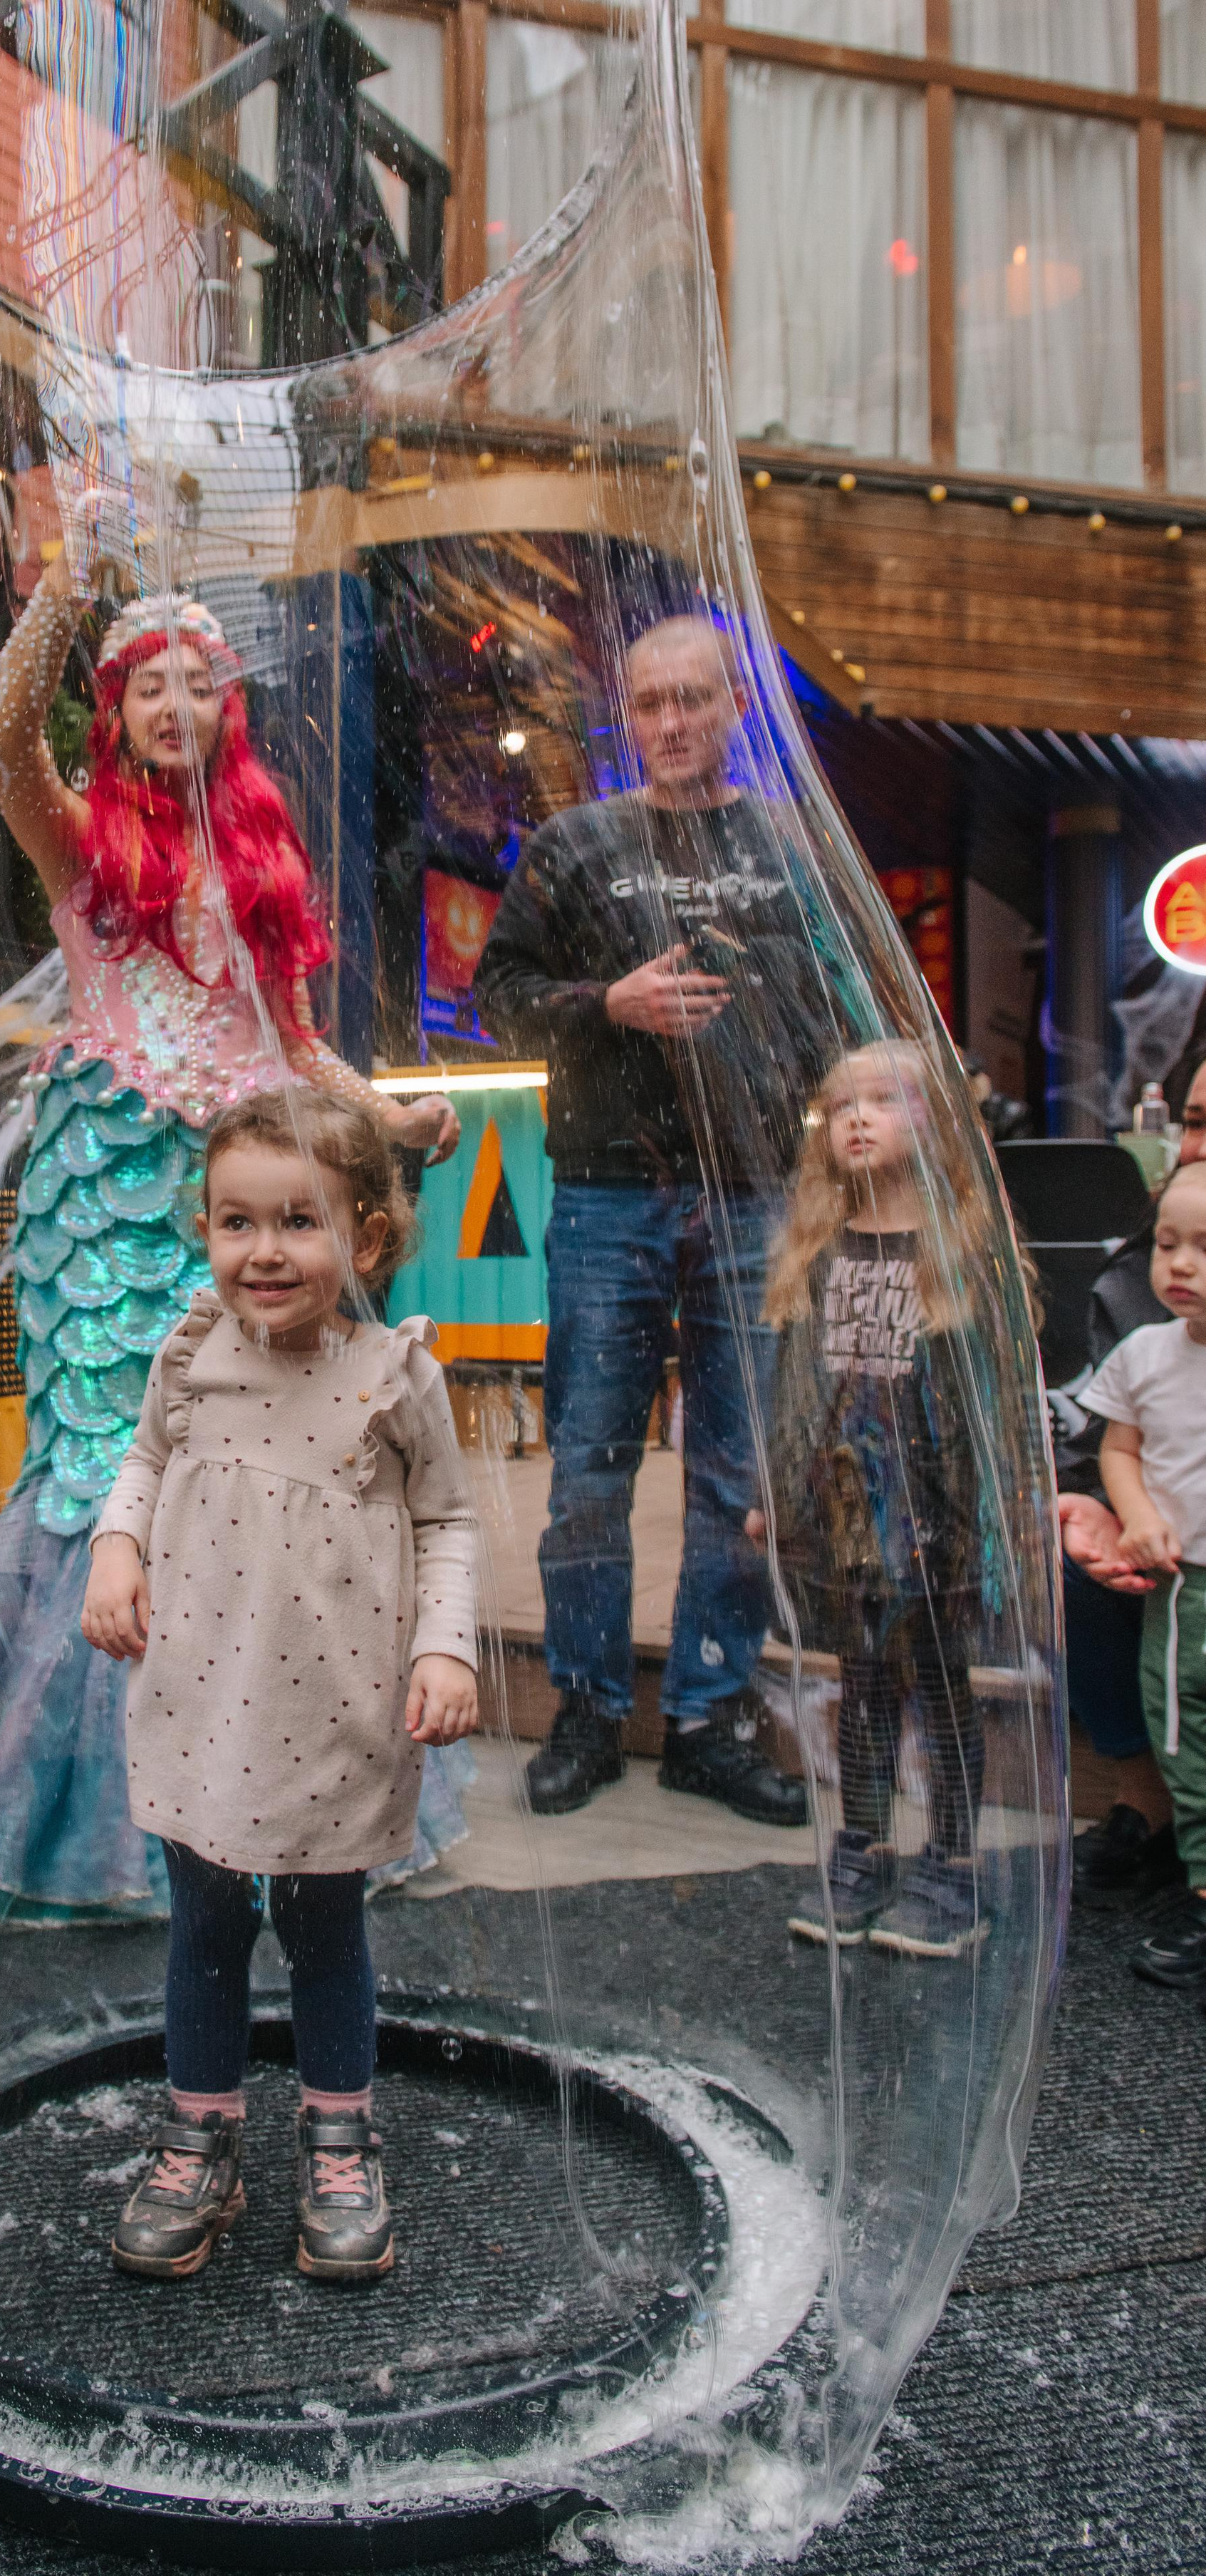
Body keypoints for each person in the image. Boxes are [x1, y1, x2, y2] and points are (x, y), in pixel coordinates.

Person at [0, 547, 459, 1916]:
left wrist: (391, 1112)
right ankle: (94, 1828)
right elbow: (7, 741)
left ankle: (287, 1785)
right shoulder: (79, 835)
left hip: (251, 1190)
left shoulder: (261, 856)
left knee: (268, 1448)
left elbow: (292, 1041)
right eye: (147, 690)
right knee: (112, 1463)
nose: (174, 708)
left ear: (224, 710)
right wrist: (61, 592)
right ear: (114, 712)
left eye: (198, 686)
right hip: (109, 1187)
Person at [82, 1090, 480, 2280]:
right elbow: (147, 1459)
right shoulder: (192, 1349)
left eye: (298, 1222)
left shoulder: (392, 1376)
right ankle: (200, 2136)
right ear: (206, 1229)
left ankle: (338, 2137)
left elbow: (446, 1516)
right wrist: (116, 1547)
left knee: (324, 1930)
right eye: (236, 1221)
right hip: (203, 1694)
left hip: (334, 1711)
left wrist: (445, 1645)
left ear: (363, 1238)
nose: (263, 1251)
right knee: (204, 1926)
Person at [476, 610, 832, 1824]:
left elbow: (837, 1017)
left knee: (740, 1473)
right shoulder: (574, 846)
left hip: (756, 1197)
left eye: (695, 698)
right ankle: (585, 1710)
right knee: (588, 1469)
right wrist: (607, 1004)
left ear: (736, 705)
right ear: (621, 719)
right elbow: (500, 1000)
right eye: (650, 703)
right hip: (603, 1198)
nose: (673, 722)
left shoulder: (793, 850)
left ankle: (710, 1720)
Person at [755, 1043, 992, 1960]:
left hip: (935, 1515)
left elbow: (989, 1402)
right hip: (844, 1513)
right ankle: (863, 1845)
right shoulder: (817, 1250)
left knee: (939, 1683)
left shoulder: (962, 1248)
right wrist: (775, 1494)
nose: (856, 1118)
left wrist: (989, 1520)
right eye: (839, 1105)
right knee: (859, 1685)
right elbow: (792, 1390)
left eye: (882, 1101)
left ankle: (956, 1862)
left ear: (932, 1122)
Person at [1056, 1059, 1206, 1908]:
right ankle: (1143, 1806)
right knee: (1064, 1547)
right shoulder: (1138, 1281)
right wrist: (1087, 1503)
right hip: (1172, 1548)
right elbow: (1104, 1438)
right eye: (1194, 1121)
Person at [1081, 1158, 1206, 1993]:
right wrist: (1135, 1513)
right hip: (1185, 1584)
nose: (1180, 1265)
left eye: (1203, 1247)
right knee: (1183, 1732)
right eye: (1165, 1245)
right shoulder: (1145, 1354)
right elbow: (1116, 1447)